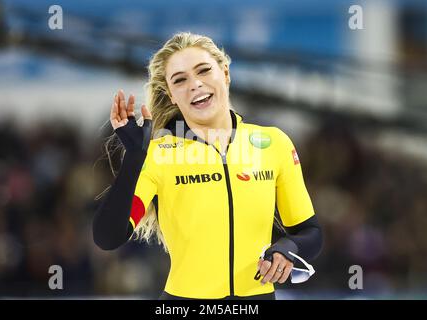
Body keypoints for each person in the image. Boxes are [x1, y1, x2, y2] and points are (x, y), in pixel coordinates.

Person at [92, 32, 322, 300]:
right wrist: (133, 158)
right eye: (180, 80)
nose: (195, 84)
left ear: (225, 73)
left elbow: (311, 233)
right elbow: (107, 238)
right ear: (171, 95)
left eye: (204, 71)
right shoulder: (160, 154)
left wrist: (286, 247)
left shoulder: (273, 143)